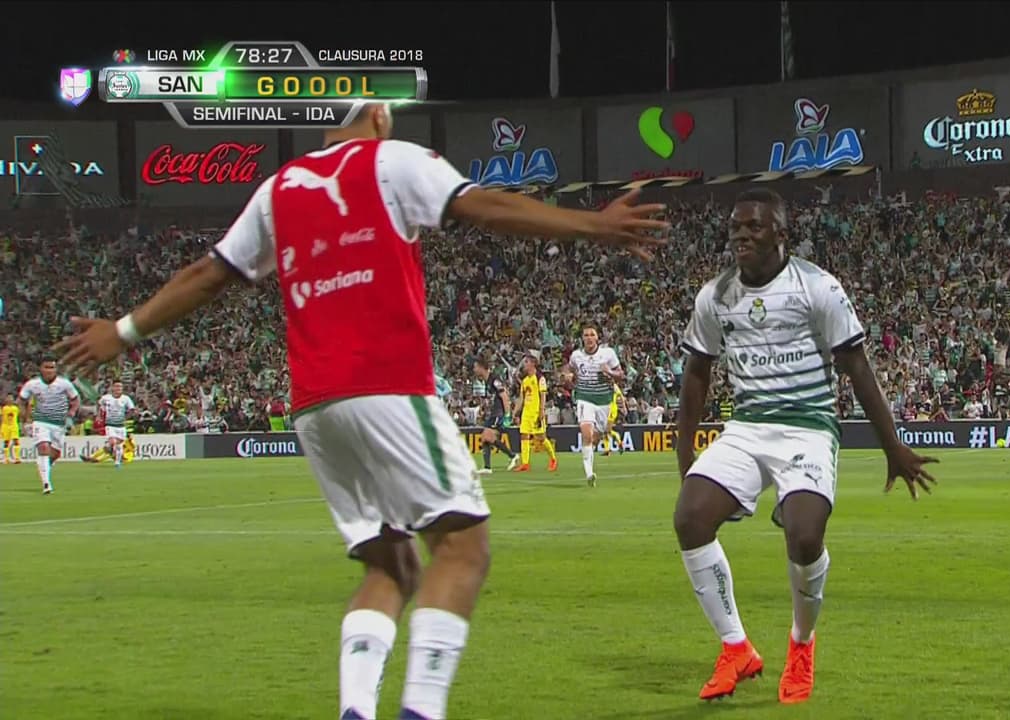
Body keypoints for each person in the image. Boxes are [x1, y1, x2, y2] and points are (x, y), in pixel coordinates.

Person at [54, 101, 667, 720]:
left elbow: (206, 273)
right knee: (462, 547)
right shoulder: (391, 161)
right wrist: (591, 225)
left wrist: (124, 331)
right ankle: (420, 711)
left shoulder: (278, 189)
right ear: (377, 115)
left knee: (391, 563)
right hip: (387, 386)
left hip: (316, 408)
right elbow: (484, 206)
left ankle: (356, 709)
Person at [672, 189, 938, 705]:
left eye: (754, 226)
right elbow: (697, 372)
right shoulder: (715, 296)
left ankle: (801, 641)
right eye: (735, 226)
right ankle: (736, 648)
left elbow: (857, 367)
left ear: (781, 233)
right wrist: (686, 456)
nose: (742, 235)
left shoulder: (818, 287)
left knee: (804, 533)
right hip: (747, 427)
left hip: (808, 426)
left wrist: (894, 448)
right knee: (690, 517)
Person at [564, 326, 623, 487]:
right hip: (584, 398)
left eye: (592, 335)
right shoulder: (576, 356)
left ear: (597, 338)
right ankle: (589, 473)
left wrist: (609, 372)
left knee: (596, 436)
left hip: (604, 400)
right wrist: (568, 377)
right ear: (582, 338)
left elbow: (620, 375)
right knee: (586, 434)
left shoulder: (608, 353)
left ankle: (589, 459)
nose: (589, 338)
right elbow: (569, 370)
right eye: (586, 335)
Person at [19, 358, 81, 494]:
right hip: (41, 421)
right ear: (40, 369)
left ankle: (46, 466)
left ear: (56, 369)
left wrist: (71, 412)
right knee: (43, 447)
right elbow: (22, 400)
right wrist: (25, 418)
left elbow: (75, 399)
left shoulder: (64, 384)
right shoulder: (32, 384)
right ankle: (46, 484)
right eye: (46, 367)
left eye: (52, 367)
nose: (49, 370)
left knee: (55, 453)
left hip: (59, 424)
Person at [513, 353, 557, 472]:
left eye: (526, 362)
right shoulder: (525, 380)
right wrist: (515, 412)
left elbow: (543, 395)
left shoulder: (539, 378)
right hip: (526, 413)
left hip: (536, 412)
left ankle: (553, 459)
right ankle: (525, 463)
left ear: (533, 363)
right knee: (524, 435)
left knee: (541, 437)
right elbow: (521, 398)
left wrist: (542, 411)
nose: (524, 365)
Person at [473, 357, 517, 475]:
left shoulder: (494, 379)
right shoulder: (487, 381)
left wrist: (507, 415)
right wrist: (484, 410)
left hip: (499, 413)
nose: (474, 369)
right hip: (493, 413)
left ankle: (512, 456)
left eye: (476, 367)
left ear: (482, 367)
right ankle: (488, 467)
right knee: (485, 437)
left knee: (487, 436)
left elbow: (504, 396)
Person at [98, 381, 137, 469]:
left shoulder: (126, 399)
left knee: (119, 446)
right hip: (110, 425)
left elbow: (132, 409)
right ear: (112, 388)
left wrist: (126, 418)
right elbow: (99, 405)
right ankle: (109, 445)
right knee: (113, 442)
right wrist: (99, 416)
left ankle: (117, 462)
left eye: (120, 386)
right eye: (116, 386)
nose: (118, 388)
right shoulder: (106, 398)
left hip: (121, 426)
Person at [602, 380, 624, 456]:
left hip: (611, 410)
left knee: (607, 430)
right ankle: (607, 450)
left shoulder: (614, 387)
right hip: (606, 410)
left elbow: (621, 396)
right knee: (604, 431)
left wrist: (623, 406)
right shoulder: (606, 387)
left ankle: (618, 441)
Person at [1, 394, 20, 464]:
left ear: (13, 400)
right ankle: (6, 459)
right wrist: (2, 427)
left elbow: (17, 416)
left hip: (14, 426)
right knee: (6, 442)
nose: (9, 399)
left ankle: (17, 458)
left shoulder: (15, 408)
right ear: (6, 400)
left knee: (16, 440)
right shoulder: (4, 408)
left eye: (11, 398)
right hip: (6, 426)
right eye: (8, 398)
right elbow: (2, 417)